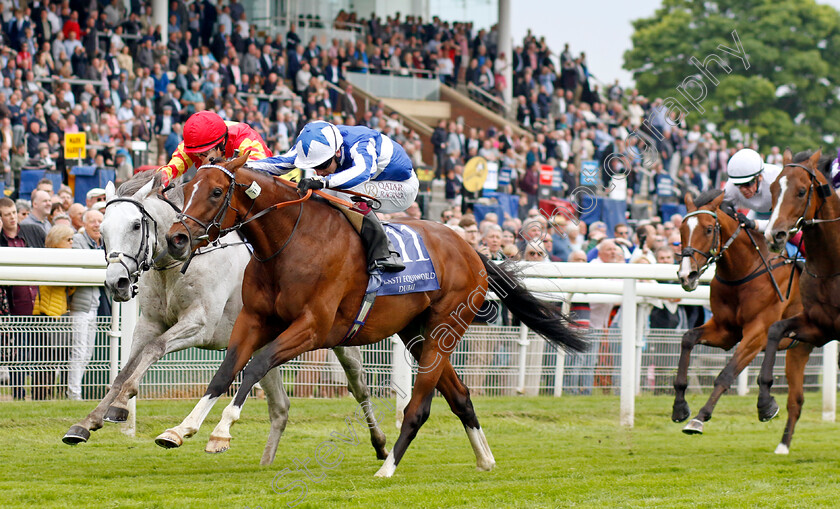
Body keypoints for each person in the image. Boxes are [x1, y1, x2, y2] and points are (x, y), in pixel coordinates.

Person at [250, 120, 419, 273]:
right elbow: (278, 164)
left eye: (322, 165)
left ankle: (385, 252)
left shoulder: (361, 142)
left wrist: (324, 181)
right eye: (314, 167)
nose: (318, 171)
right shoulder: (314, 145)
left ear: (337, 152)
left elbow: (362, 172)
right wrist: (235, 166)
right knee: (323, 191)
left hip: (402, 187)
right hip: (374, 182)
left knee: (339, 191)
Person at [0, 197, 44, 400]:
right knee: (19, 355)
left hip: (39, 303)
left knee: (39, 354)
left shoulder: (33, 232)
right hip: (14, 307)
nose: (12, 218)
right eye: (7, 215)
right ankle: (18, 394)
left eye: (14, 213)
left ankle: (40, 394)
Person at [158, 110, 273, 186]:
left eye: (204, 154)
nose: (202, 160)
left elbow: (259, 172)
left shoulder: (245, 137)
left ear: (222, 142)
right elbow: (171, 168)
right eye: (197, 155)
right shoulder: (193, 143)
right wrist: (159, 182)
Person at [32, 224, 75, 400]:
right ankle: (41, 395)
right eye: (69, 240)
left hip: (60, 312)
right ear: (57, 241)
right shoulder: (49, 257)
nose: (72, 244)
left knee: (61, 358)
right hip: (46, 314)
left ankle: (58, 394)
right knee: (45, 359)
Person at [67, 209, 104, 400]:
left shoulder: (102, 243)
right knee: (79, 351)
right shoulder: (79, 241)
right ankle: (74, 394)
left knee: (88, 352)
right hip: (79, 306)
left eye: (100, 221)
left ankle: (75, 391)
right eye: (92, 221)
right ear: (84, 223)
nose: (97, 224)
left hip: (94, 304)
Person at [723, 148, 782, 232]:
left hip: (783, 216)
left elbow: (784, 221)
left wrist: (754, 224)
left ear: (760, 177)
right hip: (757, 213)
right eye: (738, 185)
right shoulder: (731, 185)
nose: (743, 189)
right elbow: (722, 207)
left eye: (747, 184)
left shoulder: (777, 180)